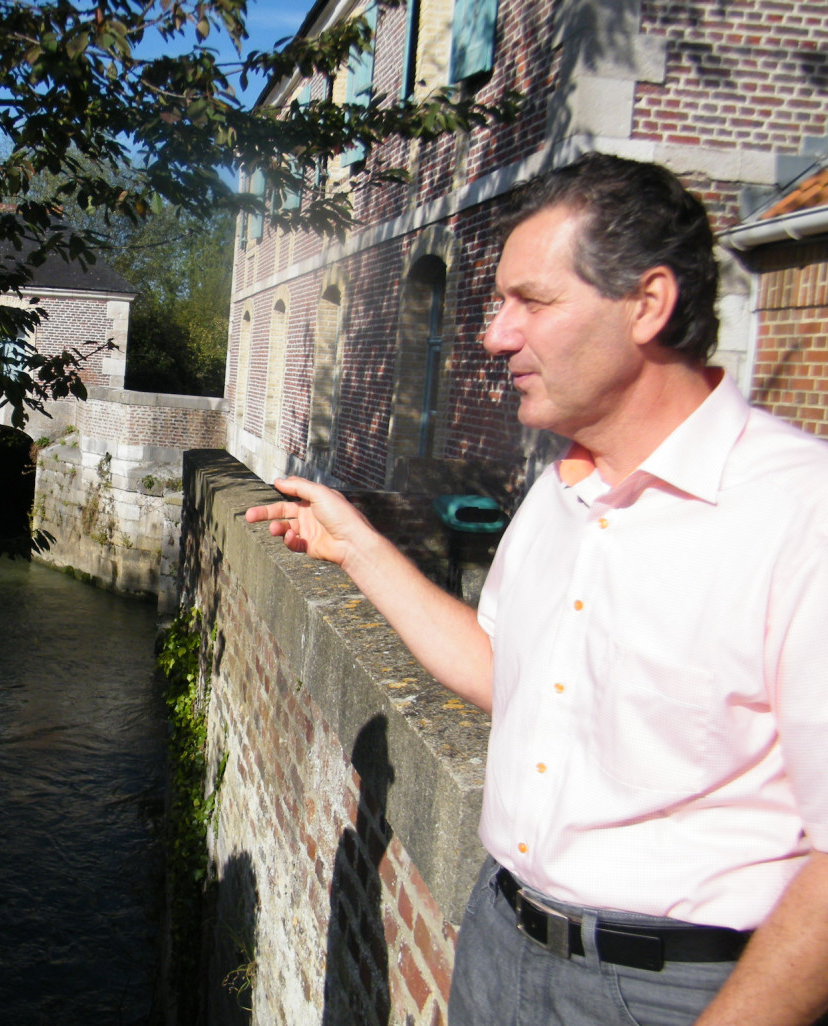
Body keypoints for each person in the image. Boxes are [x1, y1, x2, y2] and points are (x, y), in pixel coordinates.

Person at [246, 153, 828, 1026]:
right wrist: (359, 549)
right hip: (499, 944)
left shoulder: (798, 511)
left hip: (676, 990)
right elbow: (502, 671)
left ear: (648, 304)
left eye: (533, 302)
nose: (493, 335)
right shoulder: (561, 491)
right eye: (498, 303)